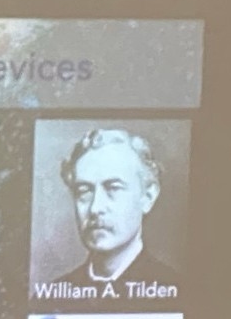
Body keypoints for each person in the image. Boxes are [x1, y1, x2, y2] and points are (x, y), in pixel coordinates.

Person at [46, 127, 180, 302]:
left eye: (113, 188)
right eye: (84, 191)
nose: (95, 208)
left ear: (147, 196)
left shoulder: (176, 291)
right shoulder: (51, 298)